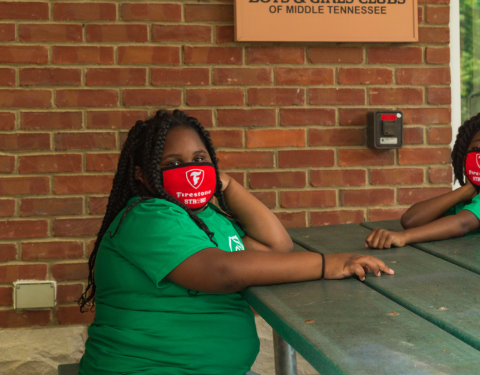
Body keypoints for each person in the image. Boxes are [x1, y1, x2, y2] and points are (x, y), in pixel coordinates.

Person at [78, 109, 393, 375]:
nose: (191, 171)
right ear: (143, 176)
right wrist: (328, 264)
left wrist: (226, 184)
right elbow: (223, 271)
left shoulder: (204, 215)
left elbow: (275, 247)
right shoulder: (148, 215)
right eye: (173, 164)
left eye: (200, 159)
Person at [365, 112, 480, 249]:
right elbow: (410, 220)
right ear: (464, 155)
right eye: (477, 148)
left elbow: (462, 224)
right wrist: (464, 191)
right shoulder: (472, 195)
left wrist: (403, 238)